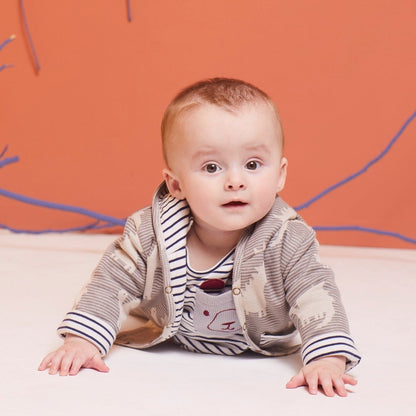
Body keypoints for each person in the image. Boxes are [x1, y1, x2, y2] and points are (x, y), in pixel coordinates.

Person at [39, 78, 361, 397]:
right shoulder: (149, 234)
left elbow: (315, 295)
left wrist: (326, 360)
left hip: (258, 352)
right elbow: (111, 283)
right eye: (211, 168)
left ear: (280, 174)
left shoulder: (287, 239)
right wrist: (82, 341)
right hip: (171, 351)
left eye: (252, 164)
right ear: (176, 185)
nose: (235, 181)